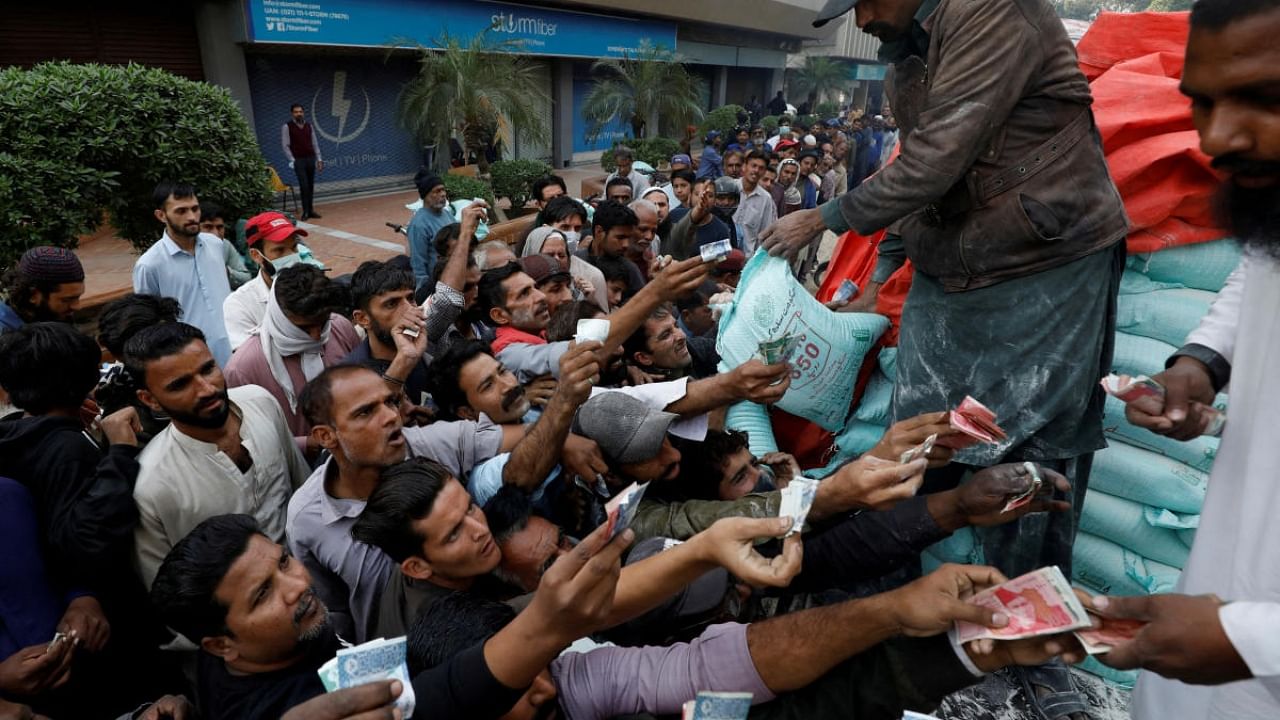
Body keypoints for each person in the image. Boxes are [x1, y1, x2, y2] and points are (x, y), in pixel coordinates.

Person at [768, 0, 1131, 713]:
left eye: (867, 1)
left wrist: (825, 216)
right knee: (923, 436)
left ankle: (1036, 634)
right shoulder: (908, 50)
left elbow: (938, 157)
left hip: (1046, 261)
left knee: (1033, 448)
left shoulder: (991, 10)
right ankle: (887, 591)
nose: (864, 19)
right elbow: (918, 157)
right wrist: (879, 274)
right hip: (951, 265)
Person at [1098, 1, 1280, 717]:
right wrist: (1197, 367)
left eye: (1266, 100)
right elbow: (1257, 274)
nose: (1218, 137)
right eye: (1200, 104)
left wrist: (1251, 638)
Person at [413, 566, 1086, 720]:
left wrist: (957, 650)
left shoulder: (580, 681)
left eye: (540, 664)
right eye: (512, 682)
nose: (541, 685)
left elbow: (722, 668)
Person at [150, 511, 643, 720]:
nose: (297, 587)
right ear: (218, 644)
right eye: (262, 596)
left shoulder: (242, 658)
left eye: (283, 562)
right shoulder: (313, 707)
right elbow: (449, 692)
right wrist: (548, 623)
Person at [352, 457, 802, 639]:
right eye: (453, 533)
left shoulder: (443, 561)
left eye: (470, 508)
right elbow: (585, 601)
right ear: (417, 566)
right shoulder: (449, 622)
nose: (479, 528)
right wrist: (704, 550)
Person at [286, 363, 524, 640]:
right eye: (366, 412)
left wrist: (565, 440)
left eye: (390, 401)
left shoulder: (428, 444)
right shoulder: (306, 520)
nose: (391, 417)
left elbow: (526, 437)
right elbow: (334, 616)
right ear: (326, 436)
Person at [126, 322, 308, 589]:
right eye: (180, 384)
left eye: (208, 369)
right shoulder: (150, 485)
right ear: (150, 399)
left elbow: (304, 493)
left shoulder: (261, 403)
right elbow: (166, 595)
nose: (207, 389)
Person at [0, 323, 142, 588]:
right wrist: (121, 452)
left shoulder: (17, 432)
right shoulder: (68, 450)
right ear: (86, 379)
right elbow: (86, 542)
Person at [224, 264, 359, 442]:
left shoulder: (339, 328)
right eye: (304, 328)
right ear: (280, 317)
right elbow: (248, 438)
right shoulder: (242, 369)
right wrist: (305, 444)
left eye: (322, 323)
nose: (316, 335)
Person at [132, 182, 234, 366]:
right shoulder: (149, 265)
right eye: (181, 211)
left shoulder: (215, 244)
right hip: (193, 362)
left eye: (195, 209)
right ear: (161, 215)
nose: (192, 217)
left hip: (236, 347)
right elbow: (149, 322)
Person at [223, 211, 324, 352]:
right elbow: (249, 359)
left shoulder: (315, 287)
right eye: (279, 250)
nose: (292, 257)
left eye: (294, 247)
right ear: (256, 255)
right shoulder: (239, 305)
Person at [523, 221, 609, 313]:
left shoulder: (581, 286)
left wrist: (591, 301)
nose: (556, 260)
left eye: (561, 255)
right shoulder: (520, 288)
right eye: (549, 255)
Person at [0, 246, 84, 335]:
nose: (77, 306)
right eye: (66, 300)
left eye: (78, 297)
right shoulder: (5, 337)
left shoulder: (50, 317)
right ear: (33, 295)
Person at [622, 304, 716, 382]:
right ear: (643, 357)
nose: (682, 336)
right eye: (666, 335)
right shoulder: (640, 390)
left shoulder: (698, 348)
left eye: (676, 326)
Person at [576, 201, 646, 296]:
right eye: (620, 237)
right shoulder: (575, 261)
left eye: (629, 238)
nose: (626, 244)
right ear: (599, 231)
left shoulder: (630, 270)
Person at [665, 178, 733, 261]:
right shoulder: (674, 216)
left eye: (709, 195)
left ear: (715, 200)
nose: (703, 198)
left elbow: (719, 263)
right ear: (690, 196)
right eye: (697, 194)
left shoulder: (721, 230)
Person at [407, 173, 454, 293]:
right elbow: (418, 263)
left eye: (443, 190)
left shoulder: (447, 214)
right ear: (426, 196)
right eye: (437, 191)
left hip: (455, 275)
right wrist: (425, 292)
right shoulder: (419, 224)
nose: (443, 194)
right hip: (439, 285)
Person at [280, 104, 323, 220]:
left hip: (310, 158)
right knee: (304, 186)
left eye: (300, 111)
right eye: (296, 112)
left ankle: (311, 210)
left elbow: (315, 143)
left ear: (303, 113)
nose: (298, 114)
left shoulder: (309, 126)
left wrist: (319, 158)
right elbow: (285, 145)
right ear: (292, 113)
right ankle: (305, 211)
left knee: (310, 185)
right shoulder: (287, 126)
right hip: (298, 160)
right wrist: (292, 160)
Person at [200, 201, 253, 289]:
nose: (215, 233)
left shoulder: (225, 245)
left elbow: (246, 278)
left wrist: (226, 271)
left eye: (219, 227)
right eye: (208, 227)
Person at [734, 150, 778, 252]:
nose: (756, 170)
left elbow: (764, 233)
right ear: (744, 166)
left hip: (746, 259)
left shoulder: (766, 199)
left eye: (761, 168)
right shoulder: (731, 187)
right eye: (753, 166)